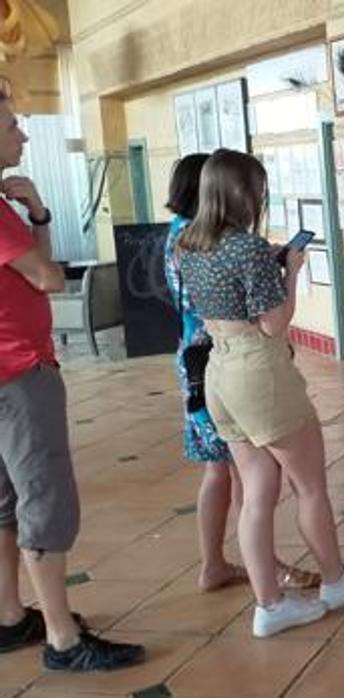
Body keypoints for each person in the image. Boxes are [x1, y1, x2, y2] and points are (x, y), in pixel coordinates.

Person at [176, 149, 344, 638]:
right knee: (309, 483)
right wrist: (289, 269)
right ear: (242, 192)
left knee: (256, 494)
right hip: (258, 370)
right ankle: (335, 580)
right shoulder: (247, 248)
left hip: (219, 373)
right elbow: (274, 325)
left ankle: (270, 605)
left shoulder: (188, 243)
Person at [0, 92, 145, 670]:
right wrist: (38, 217)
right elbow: (49, 279)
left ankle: (9, 615)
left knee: (5, 503)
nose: (23, 136)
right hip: (18, 372)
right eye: (12, 126)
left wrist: (34, 211)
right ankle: (62, 638)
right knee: (44, 498)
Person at [163, 154, 319, 594]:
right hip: (233, 360)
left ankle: (245, 576)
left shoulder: (184, 240)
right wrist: (281, 273)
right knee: (253, 480)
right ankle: (268, 571)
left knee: (232, 473)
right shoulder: (221, 243)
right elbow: (268, 321)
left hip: (207, 365)